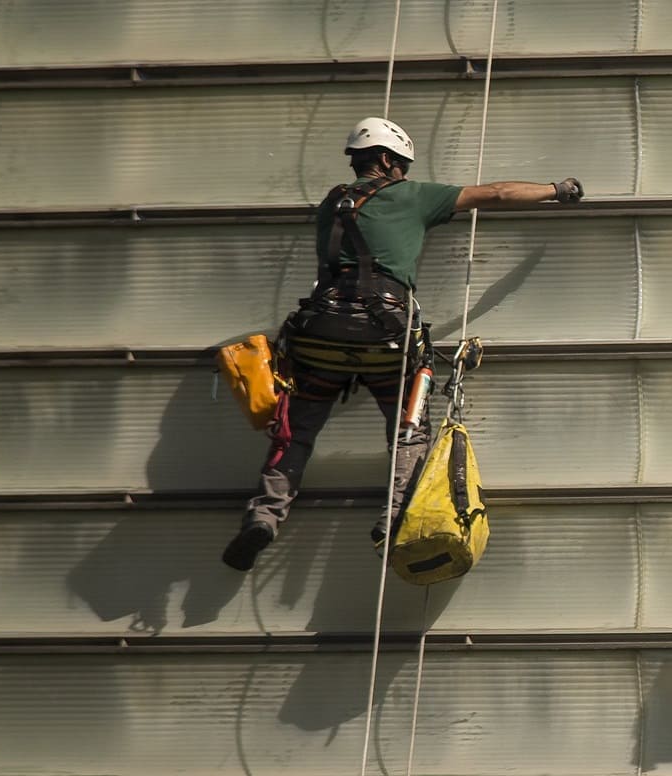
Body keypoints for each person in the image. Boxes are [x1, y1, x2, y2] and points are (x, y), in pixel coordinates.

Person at [221, 117, 585, 571]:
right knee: (408, 429)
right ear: (389, 160)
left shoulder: (330, 203)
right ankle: (394, 519)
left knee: (294, 433)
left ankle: (265, 517)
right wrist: (557, 188)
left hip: (319, 334)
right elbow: (495, 194)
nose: (407, 175)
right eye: (404, 166)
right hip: (383, 336)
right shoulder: (412, 195)